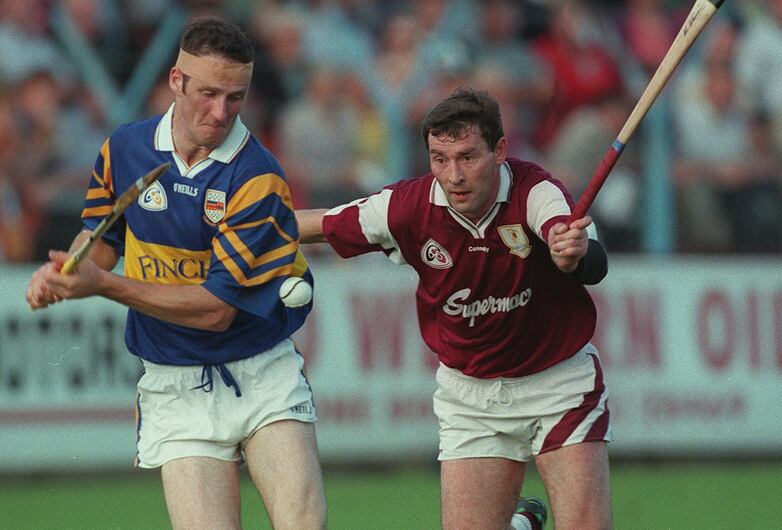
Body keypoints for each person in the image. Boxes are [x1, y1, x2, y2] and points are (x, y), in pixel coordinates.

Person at [25, 18, 326, 530]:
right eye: (208, 93)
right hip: (174, 383)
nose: (221, 112)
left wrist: (104, 287)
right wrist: (66, 269)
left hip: (262, 371)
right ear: (176, 80)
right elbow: (99, 243)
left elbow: (214, 310)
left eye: (236, 97)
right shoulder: (124, 149)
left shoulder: (258, 176)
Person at [297, 88, 611, 530]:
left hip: (558, 384)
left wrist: (571, 253)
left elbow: (584, 254)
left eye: (467, 157)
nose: (454, 175)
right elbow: (319, 224)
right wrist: (230, 228)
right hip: (471, 396)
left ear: (500, 150)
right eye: (439, 159)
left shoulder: (536, 191)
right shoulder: (406, 207)